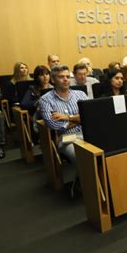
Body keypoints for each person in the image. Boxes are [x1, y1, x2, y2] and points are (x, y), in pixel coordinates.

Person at [39, 65, 88, 197]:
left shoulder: (80, 94)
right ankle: (83, 183)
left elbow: (90, 115)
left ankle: (86, 178)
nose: (66, 79)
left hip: (87, 133)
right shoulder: (45, 99)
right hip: (66, 138)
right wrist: (80, 118)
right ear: (53, 80)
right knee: (82, 156)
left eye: (67, 76)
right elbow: (54, 125)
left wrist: (67, 118)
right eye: (61, 77)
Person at [21, 65, 53, 135]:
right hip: (38, 115)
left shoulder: (54, 88)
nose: (45, 77)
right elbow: (24, 104)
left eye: (47, 74)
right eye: (42, 75)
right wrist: (38, 101)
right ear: (37, 77)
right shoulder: (32, 89)